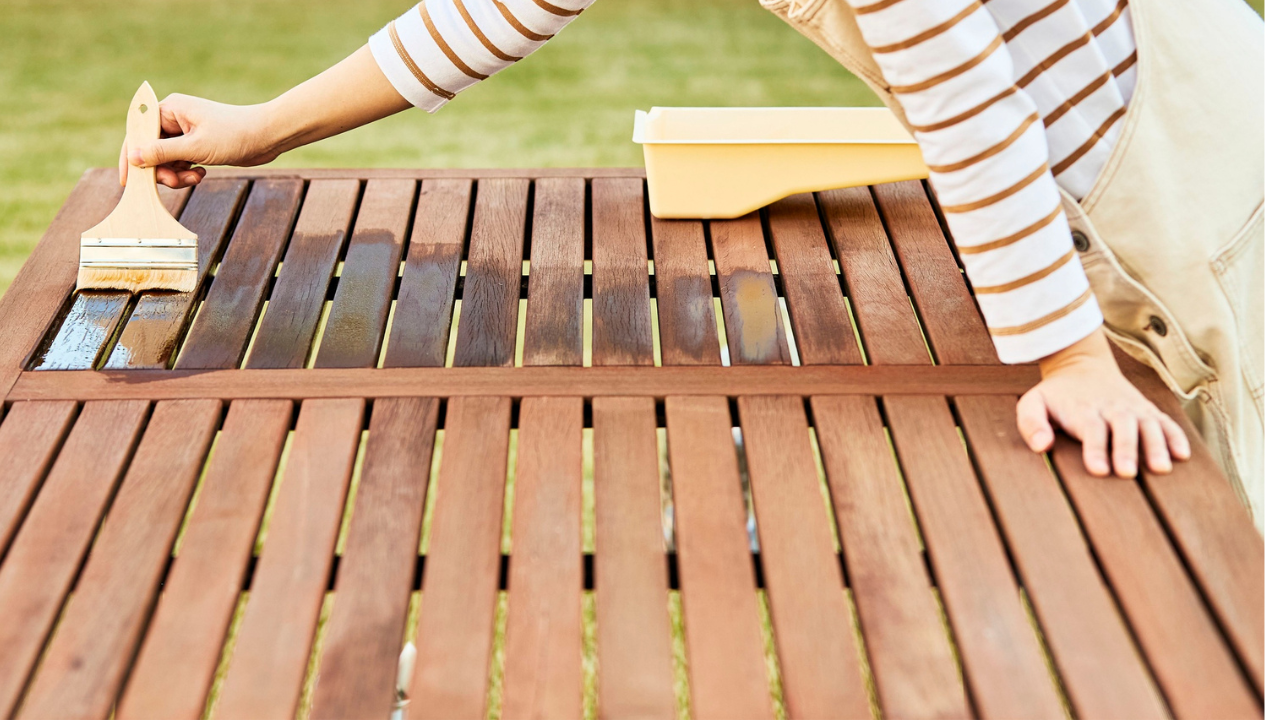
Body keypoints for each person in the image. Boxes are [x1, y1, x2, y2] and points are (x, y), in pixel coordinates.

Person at [119, 0, 1264, 525]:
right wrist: (265, 127)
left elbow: (965, 99)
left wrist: (1067, 359)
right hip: (1099, 152)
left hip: (1186, 165)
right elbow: (491, 9)